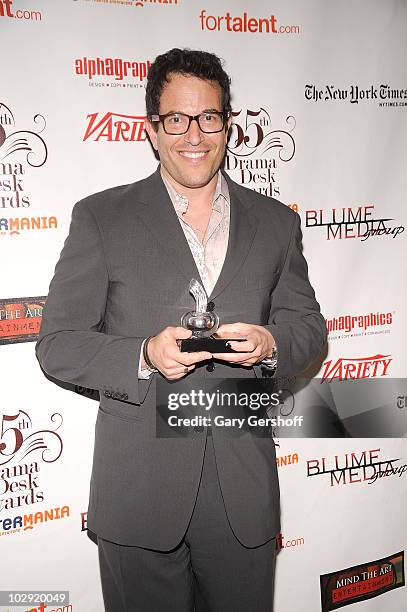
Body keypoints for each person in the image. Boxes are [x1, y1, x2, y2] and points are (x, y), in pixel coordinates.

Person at [36, 48, 326, 611]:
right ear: (152, 127)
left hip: (242, 493)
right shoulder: (101, 218)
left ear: (227, 125)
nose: (194, 134)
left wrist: (271, 344)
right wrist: (143, 355)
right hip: (139, 492)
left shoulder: (276, 222)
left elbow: (307, 328)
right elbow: (57, 344)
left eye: (209, 117)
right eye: (176, 119)